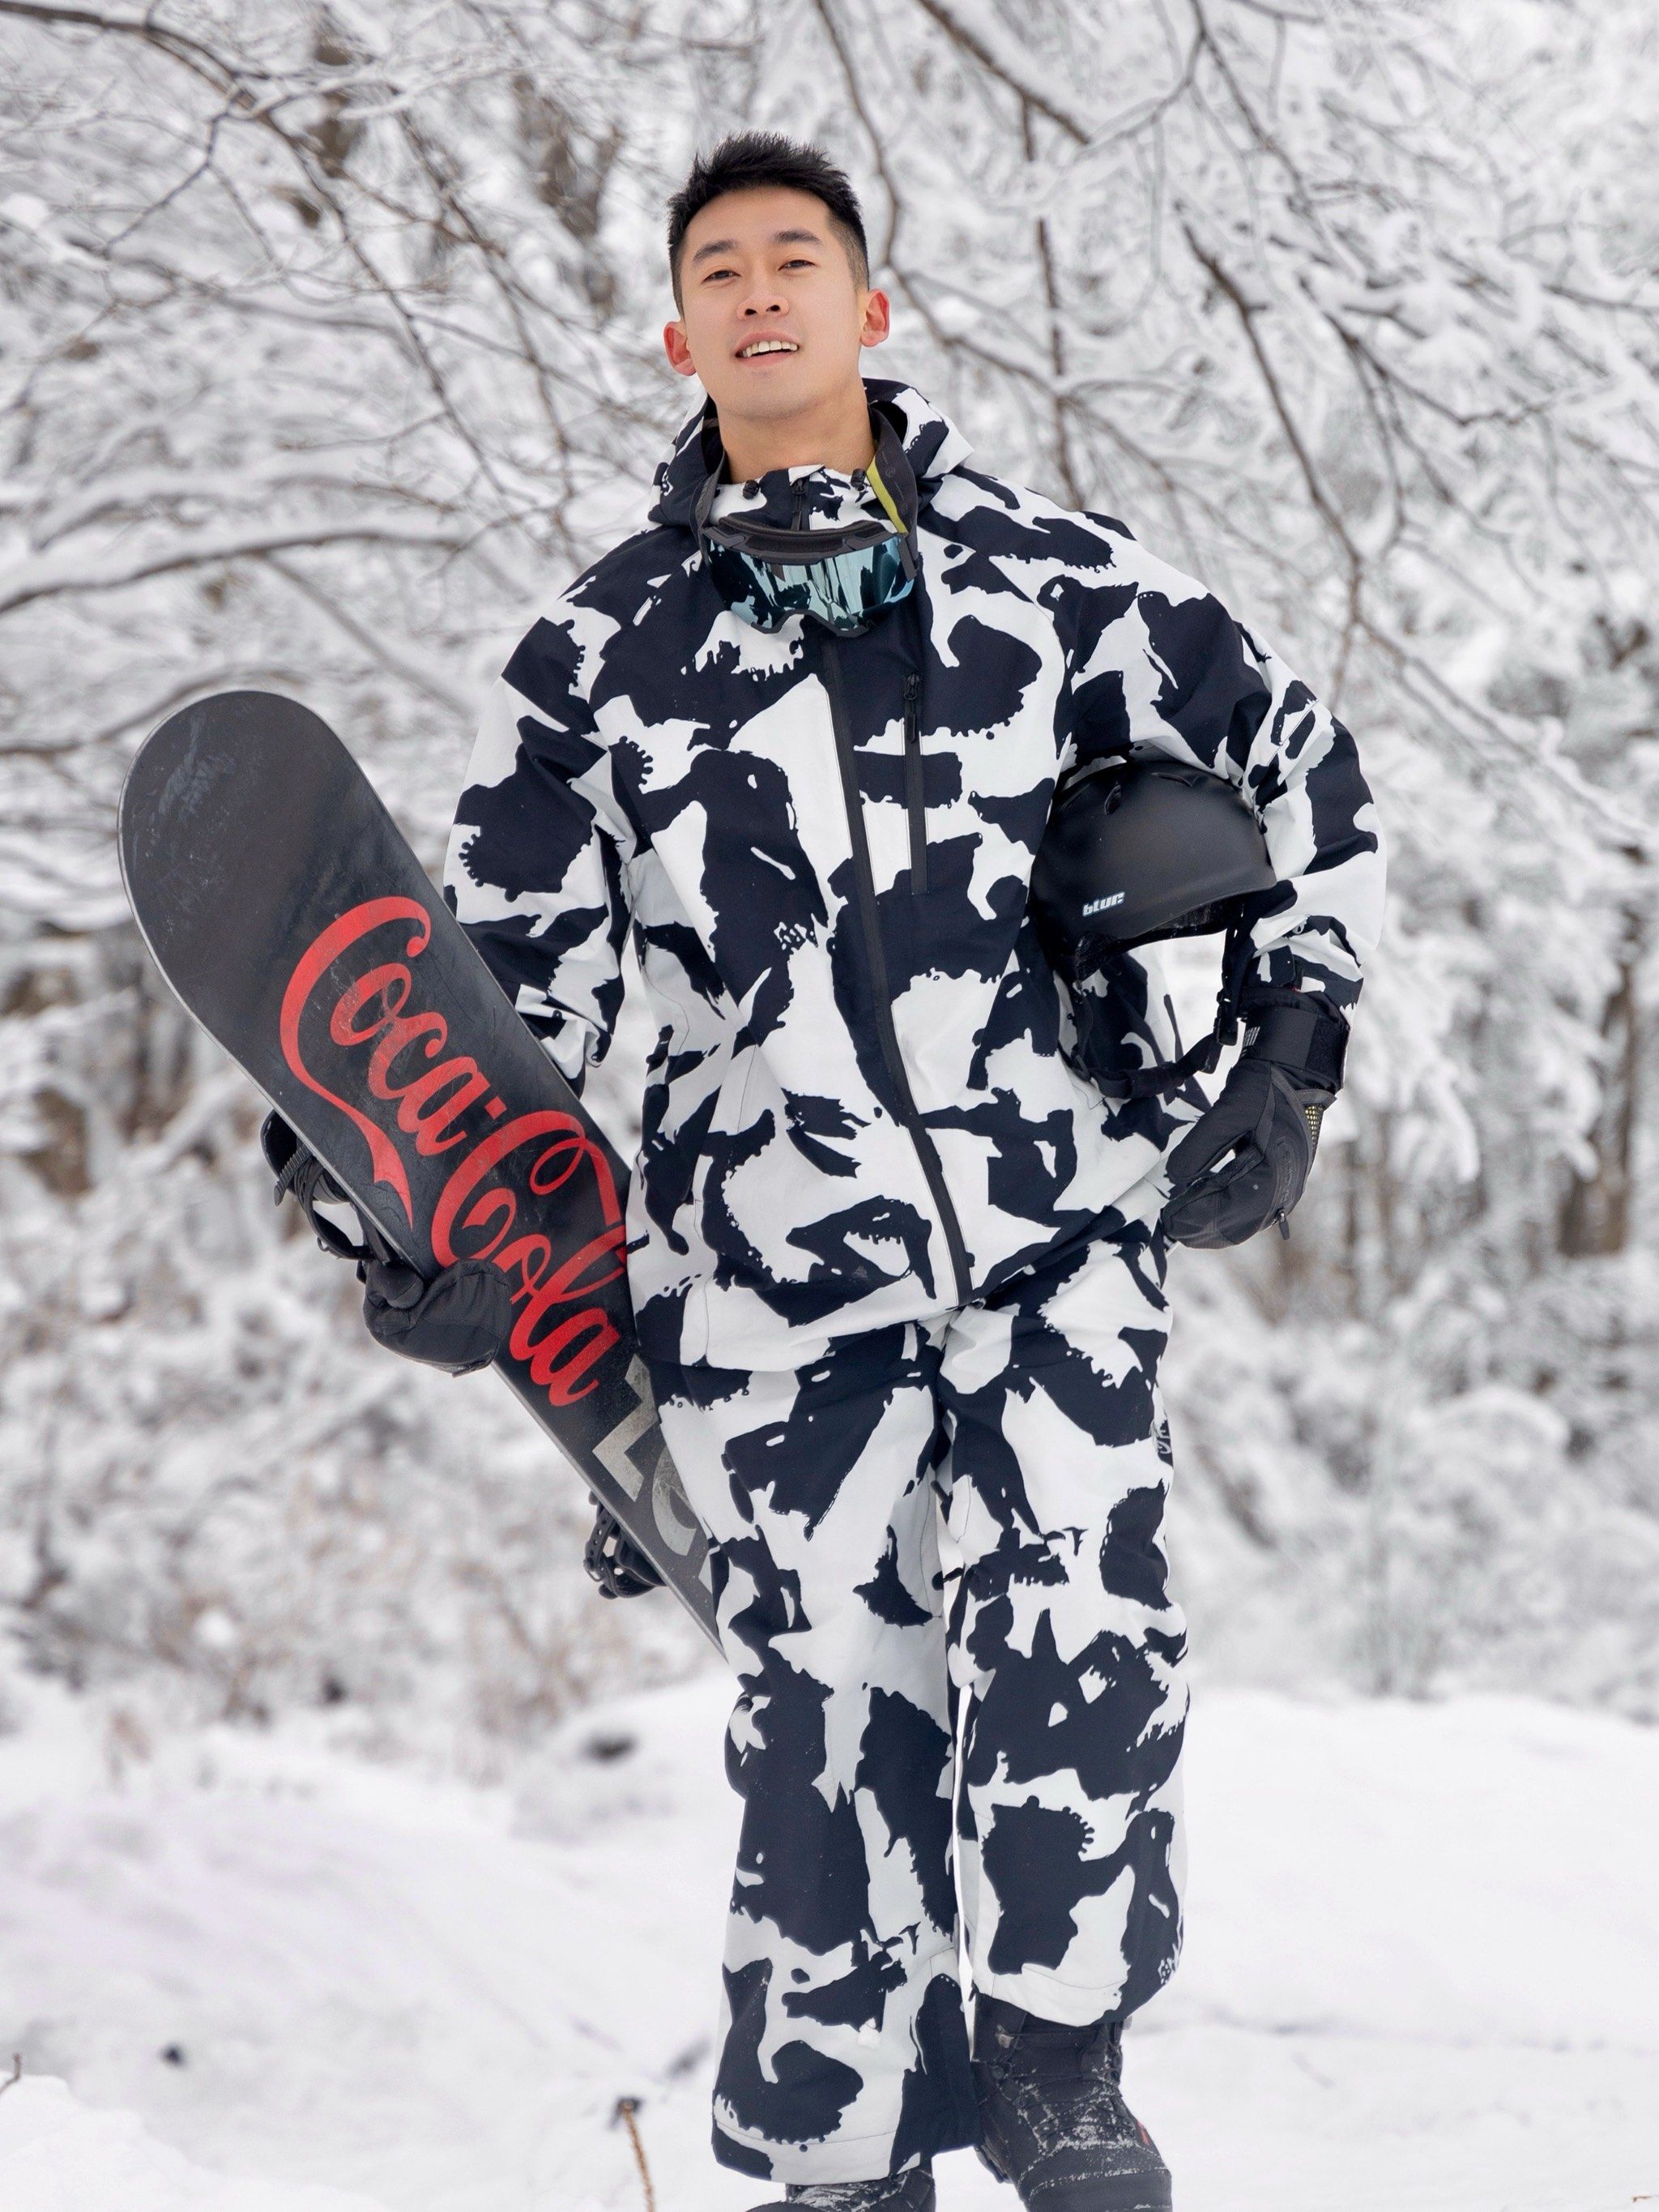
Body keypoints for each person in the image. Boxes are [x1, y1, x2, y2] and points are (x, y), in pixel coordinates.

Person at [328, 133, 1385, 2211]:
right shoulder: (597, 660)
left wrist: (1294, 1041)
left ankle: (1060, 2069)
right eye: (715, 266)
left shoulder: (1057, 580)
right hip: (765, 1282)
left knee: (1084, 1643)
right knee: (827, 1725)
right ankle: (843, 2147)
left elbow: (1300, 765)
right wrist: (404, 1207)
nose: (756, 290)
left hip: (1054, 1239)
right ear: (674, 329)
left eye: (794, 256)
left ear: (870, 306)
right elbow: (503, 990)